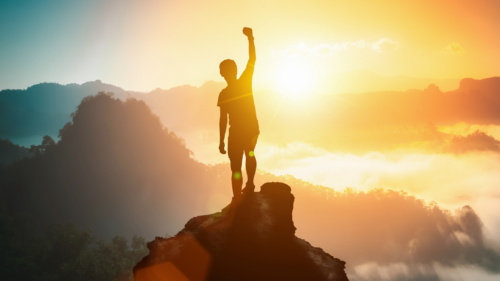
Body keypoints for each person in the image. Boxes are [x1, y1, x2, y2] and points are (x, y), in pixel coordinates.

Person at [218, 27, 260, 202]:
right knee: (247, 156)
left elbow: (222, 120)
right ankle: (247, 187)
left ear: (222, 74)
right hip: (248, 129)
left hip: (241, 131)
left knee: (237, 165)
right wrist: (250, 39)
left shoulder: (225, 93)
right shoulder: (243, 82)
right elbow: (252, 59)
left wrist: (221, 141)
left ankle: (239, 194)